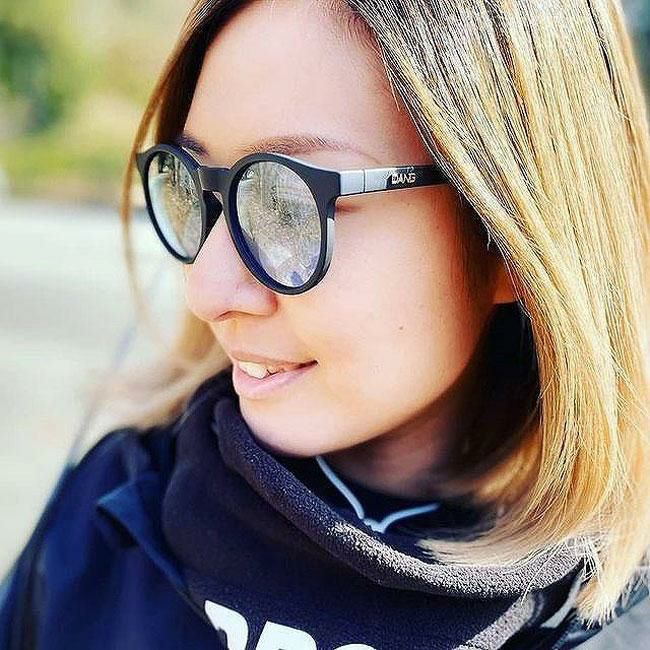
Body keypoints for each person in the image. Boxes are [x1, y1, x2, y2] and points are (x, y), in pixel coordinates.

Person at [2, 0, 650, 648]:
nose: (207, 291)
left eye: (287, 203)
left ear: (506, 236)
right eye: (195, 186)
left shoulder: (613, 623)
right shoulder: (111, 517)